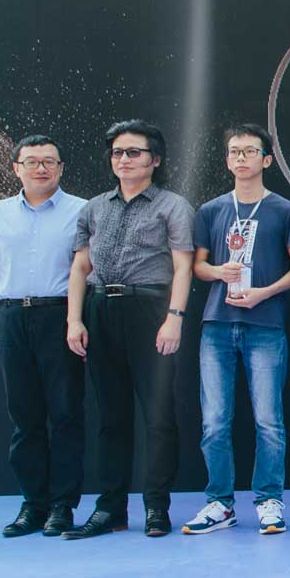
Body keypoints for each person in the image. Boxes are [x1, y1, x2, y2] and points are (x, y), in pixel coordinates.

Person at [64, 120, 196, 539]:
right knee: (111, 417)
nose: (124, 159)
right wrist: (74, 319)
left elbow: (183, 267)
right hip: (101, 308)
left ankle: (156, 507)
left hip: (151, 309)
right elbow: (80, 267)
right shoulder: (94, 208)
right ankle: (111, 509)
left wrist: (174, 317)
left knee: (158, 416)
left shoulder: (173, 206)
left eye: (134, 152)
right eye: (118, 152)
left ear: (155, 160)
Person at [181, 125, 290, 535]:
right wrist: (219, 271)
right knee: (215, 421)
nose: (240, 157)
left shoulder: (284, 210)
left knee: (268, 420)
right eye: (234, 151)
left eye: (249, 151)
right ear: (227, 159)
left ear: (266, 160)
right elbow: (198, 266)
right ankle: (220, 503)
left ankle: (269, 500)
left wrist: (263, 293)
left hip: (265, 323)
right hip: (217, 324)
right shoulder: (211, 210)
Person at [0, 135, 89, 537]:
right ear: (16, 168)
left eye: (49, 161)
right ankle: (33, 505)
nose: (41, 168)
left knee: (66, 414)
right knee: (25, 417)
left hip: (60, 316)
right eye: (32, 161)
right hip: (11, 318)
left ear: (61, 168)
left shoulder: (82, 211)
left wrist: (74, 320)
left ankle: (63, 506)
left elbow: (86, 270)